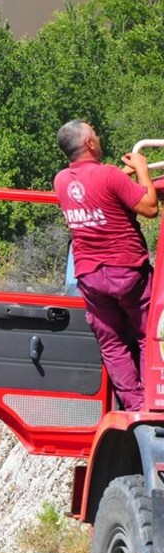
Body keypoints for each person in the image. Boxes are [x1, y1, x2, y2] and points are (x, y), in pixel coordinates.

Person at [54, 120, 159, 411]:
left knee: (112, 344)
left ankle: (135, 405)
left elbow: (97, 189)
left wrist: (124, 176)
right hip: (127, 272)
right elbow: (150, 208)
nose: (98, 138)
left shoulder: (61, 181)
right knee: (147, 335)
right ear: (89, 143)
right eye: (95, 135)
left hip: (90, 277)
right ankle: (154, 401)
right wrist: (140, 167)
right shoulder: (109, 176)